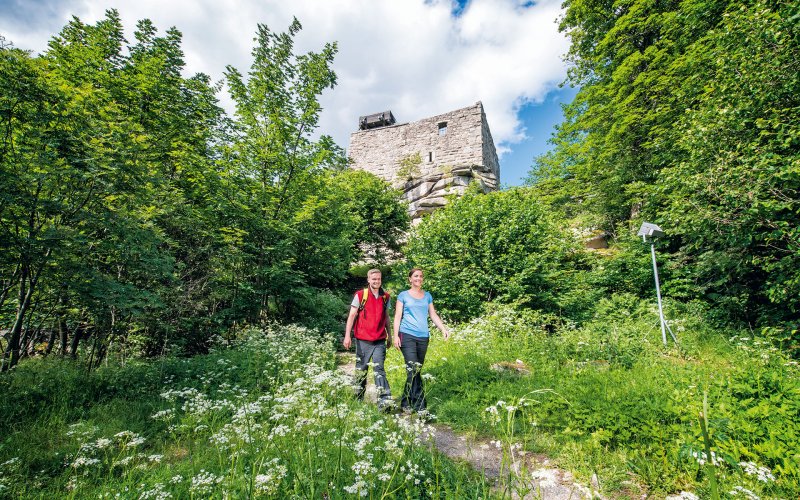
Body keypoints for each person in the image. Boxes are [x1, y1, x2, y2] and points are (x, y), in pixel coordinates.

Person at [393, 268, 450, 413]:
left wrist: (443, 329)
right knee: (413, 369)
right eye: (415, 276)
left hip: (423, 337)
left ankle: (406, 402)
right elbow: (398, 317)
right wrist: (395, 336)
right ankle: (421, 406)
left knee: (415, 371)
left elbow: (433, 314)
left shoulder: (427, 296)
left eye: (421, 276)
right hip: (407, 335)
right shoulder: (403, 295)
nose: (419, 278)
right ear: (410, 279)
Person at [344, 268, 393, 409]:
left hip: (379, 340)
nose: (376, 281)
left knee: (379, 370)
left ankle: (384, 402)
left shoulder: (386, 297)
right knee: (361, 370)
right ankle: (358, 400)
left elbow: (387, 317)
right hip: (363, 340)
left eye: (379, 279)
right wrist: (348, 335)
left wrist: (389, 335)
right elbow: (352, 316)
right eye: (374, 279)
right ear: (368, 280)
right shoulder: (361, 295)